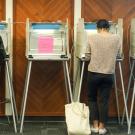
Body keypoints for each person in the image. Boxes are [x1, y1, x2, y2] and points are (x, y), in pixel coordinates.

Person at [86, 19, 121, 134]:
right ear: (108, 27)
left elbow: (87, 56)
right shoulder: (116, 38)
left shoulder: (91, 37)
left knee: (92, 98)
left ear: (98, 28)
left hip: (94, 73)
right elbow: (119, 54)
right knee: (104, 101)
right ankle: (102, 127)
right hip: (108, 74)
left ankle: (94, 125)